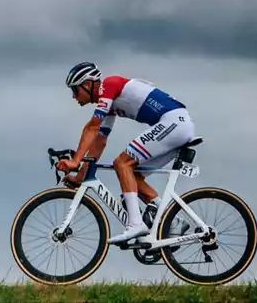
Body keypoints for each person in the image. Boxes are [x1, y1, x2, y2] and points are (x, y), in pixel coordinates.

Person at [56, 61, 196, 244]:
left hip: (174, 123)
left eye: (75, 90)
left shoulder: (109, 85)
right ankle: (174, 221)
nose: (74, 97)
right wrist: (81, 175)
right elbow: (99, 141)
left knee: (122, 163)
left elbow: (92, 127)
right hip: (176, 125)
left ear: (88, 84)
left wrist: (74, 161)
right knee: (132, 177)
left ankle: (136, 224)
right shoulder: (108, 103)